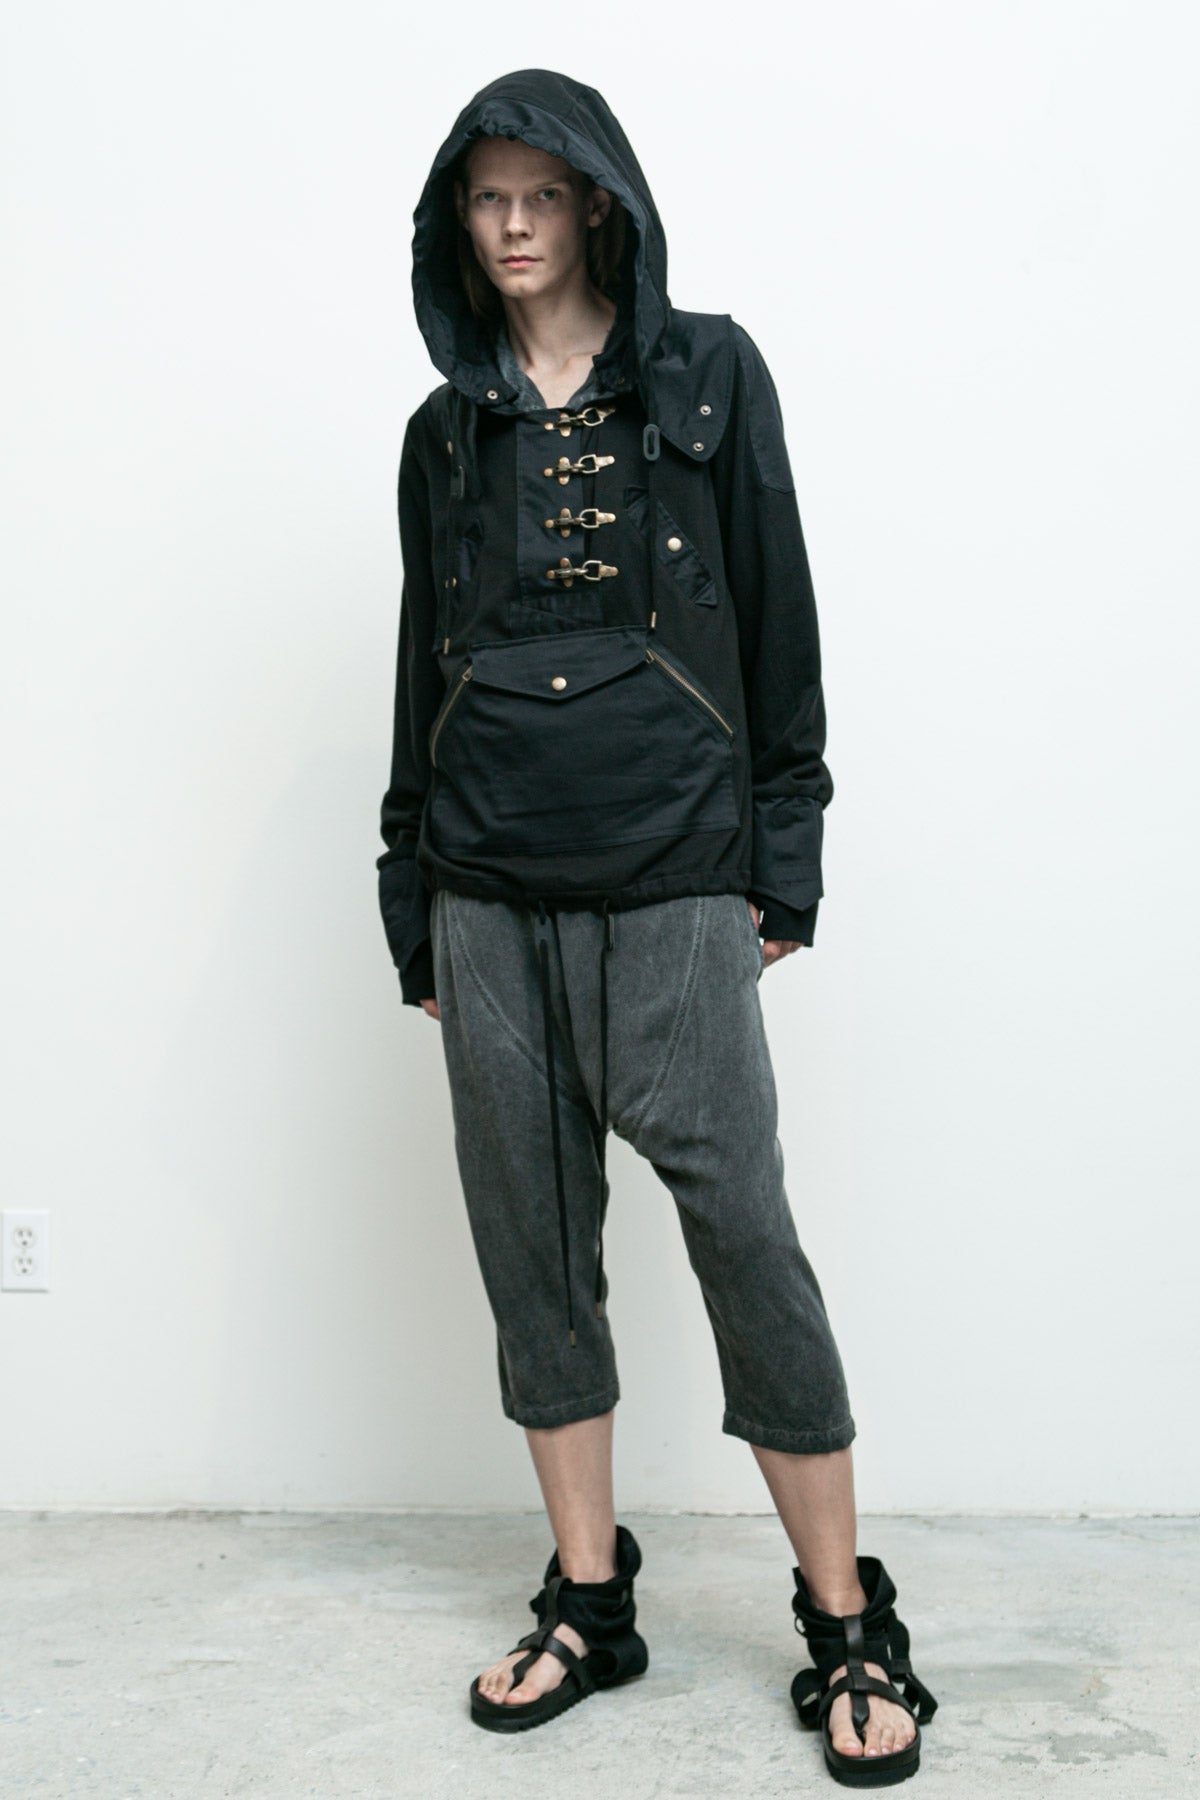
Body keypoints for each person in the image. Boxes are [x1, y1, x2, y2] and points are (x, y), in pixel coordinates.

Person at [377, 68, 939, 1784]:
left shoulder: (711, 373)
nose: (516, 225)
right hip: (488, 879)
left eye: (544, 193)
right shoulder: (441, 432)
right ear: (458, 223)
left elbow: (780, 612)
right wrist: (410, 892)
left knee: (743, 1233)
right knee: (531, 1247)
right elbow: (418, 669)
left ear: (599, 204)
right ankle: (589, 1599)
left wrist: (788, 853)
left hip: (680, 860)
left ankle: (847, 1621)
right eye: (488, 199)